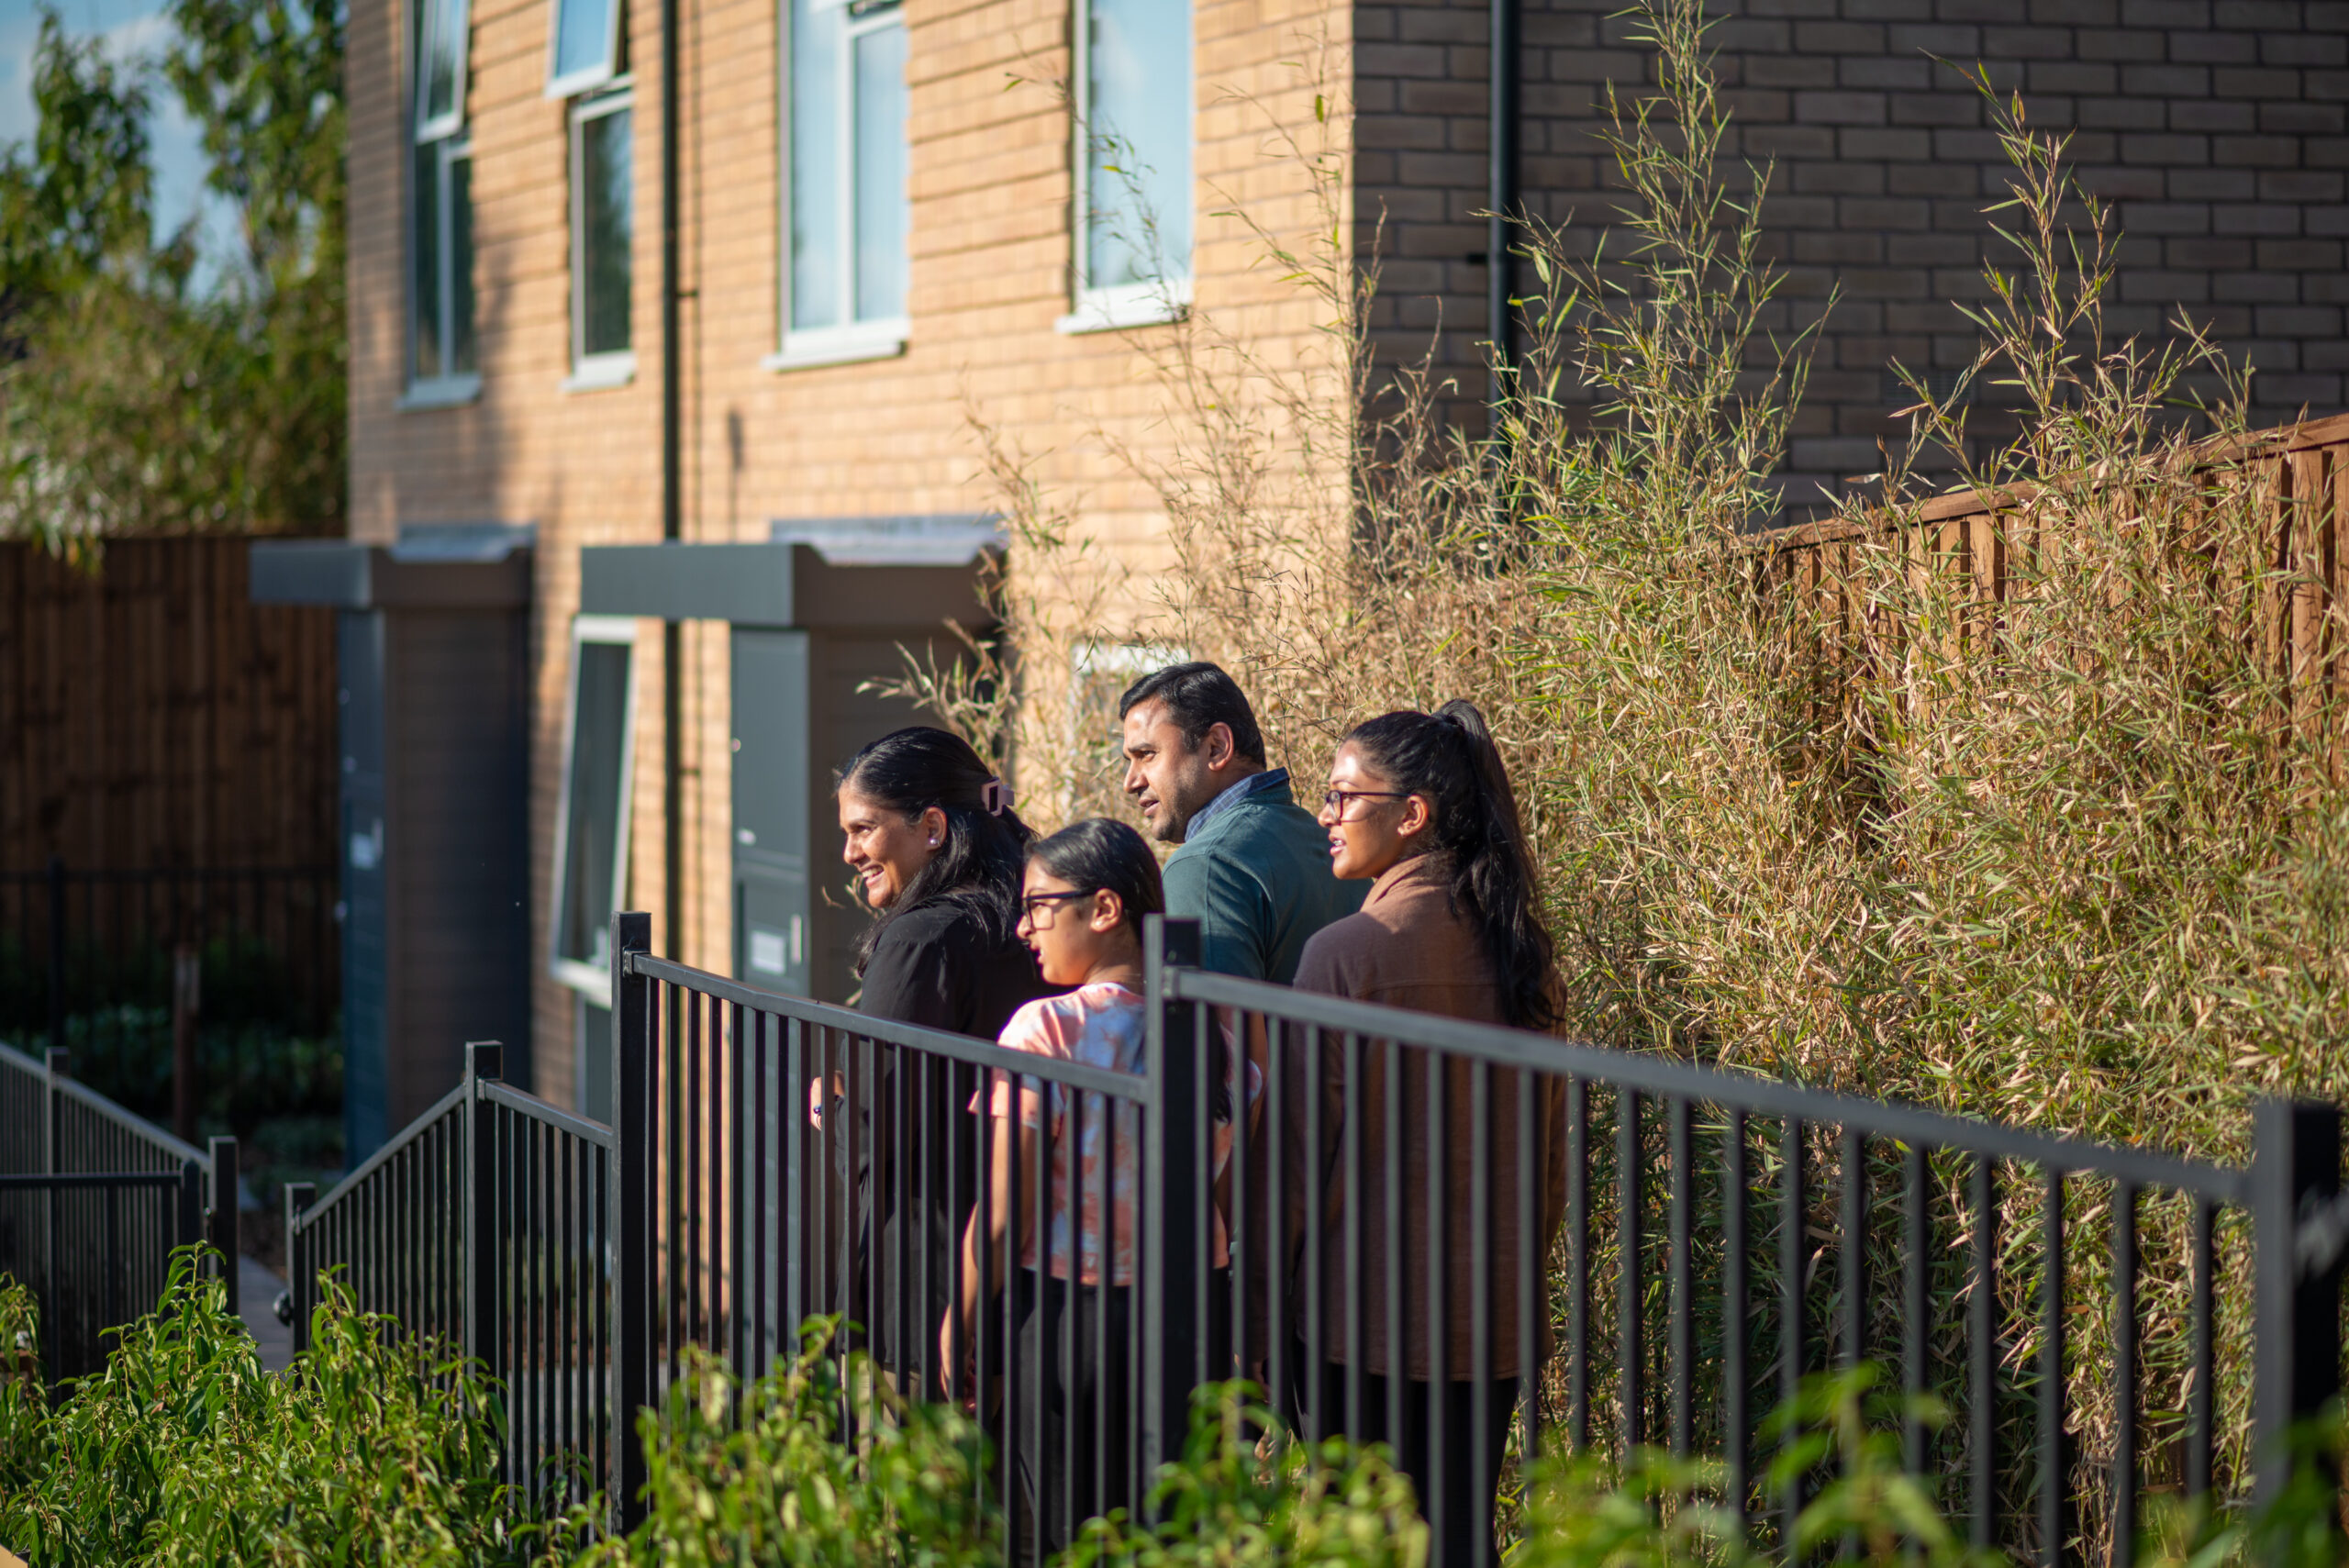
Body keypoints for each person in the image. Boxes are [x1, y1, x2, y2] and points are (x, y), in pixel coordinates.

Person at [1285, 699, 1567, 1568]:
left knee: (1355, 1544)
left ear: (1413, 814)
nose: (1325, 816)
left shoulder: (1346, 952)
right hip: (1488, 1321)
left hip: (1357, 1320)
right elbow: (1549, 1163)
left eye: (1342, 797)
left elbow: (1292, 1162)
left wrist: (1259, 1311)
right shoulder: (1523, 952)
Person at [939, 817, 1253, 1557]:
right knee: (1170, 1535)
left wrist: (963, 1312)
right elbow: (1226, 1197)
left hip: (1069, 1320)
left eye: (1039, 904)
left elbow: (1004, 1214)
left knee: (1065, 1535)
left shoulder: (1045, 1029)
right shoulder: (1218, 1032)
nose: (1023, 927)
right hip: (1195, 1314)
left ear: (1104, 909)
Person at [828, 726, 1059, 1397]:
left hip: (924, 1298)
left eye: (864, 829)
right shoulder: (1037, 921)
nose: (848, 852)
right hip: (1029, 1281)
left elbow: (869, 1136)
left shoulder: (922, 939)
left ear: (932, 826)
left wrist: (831, 1103)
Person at [1119, 662, 1362, 984]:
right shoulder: (1335, 846)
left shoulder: (1204, 864)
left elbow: (1217, 1031)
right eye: (1129, 761)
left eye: (1147, 754)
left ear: (1217, 747)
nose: (1130, 781)